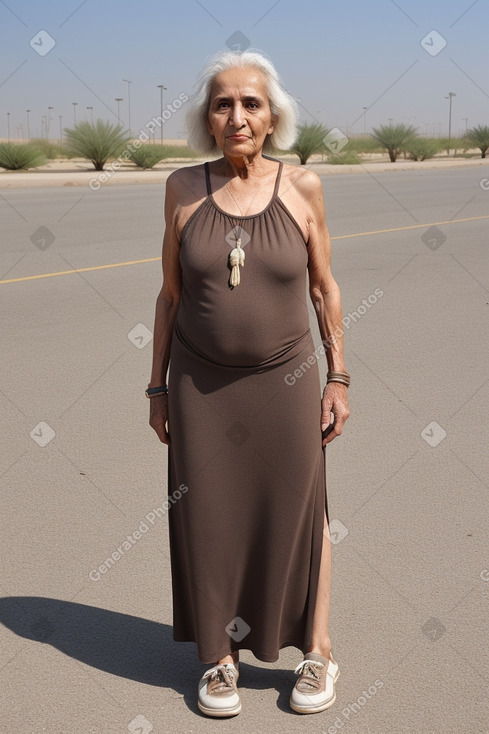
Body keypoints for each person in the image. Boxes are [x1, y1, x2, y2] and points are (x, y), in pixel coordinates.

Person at [147, 49, 350, 717]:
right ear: (207, 117)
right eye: (222, 103)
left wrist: (337, 375)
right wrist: (156, 388)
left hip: (287, 379)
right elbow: (170, 297)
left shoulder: (303, 188)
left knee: (301, 512)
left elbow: (324, 288)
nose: (236, 115)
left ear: (272, 118)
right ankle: (220, 659)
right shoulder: (182, 188)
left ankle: (316, 651)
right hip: (199, 386)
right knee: (206, 514)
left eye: (251, 103)